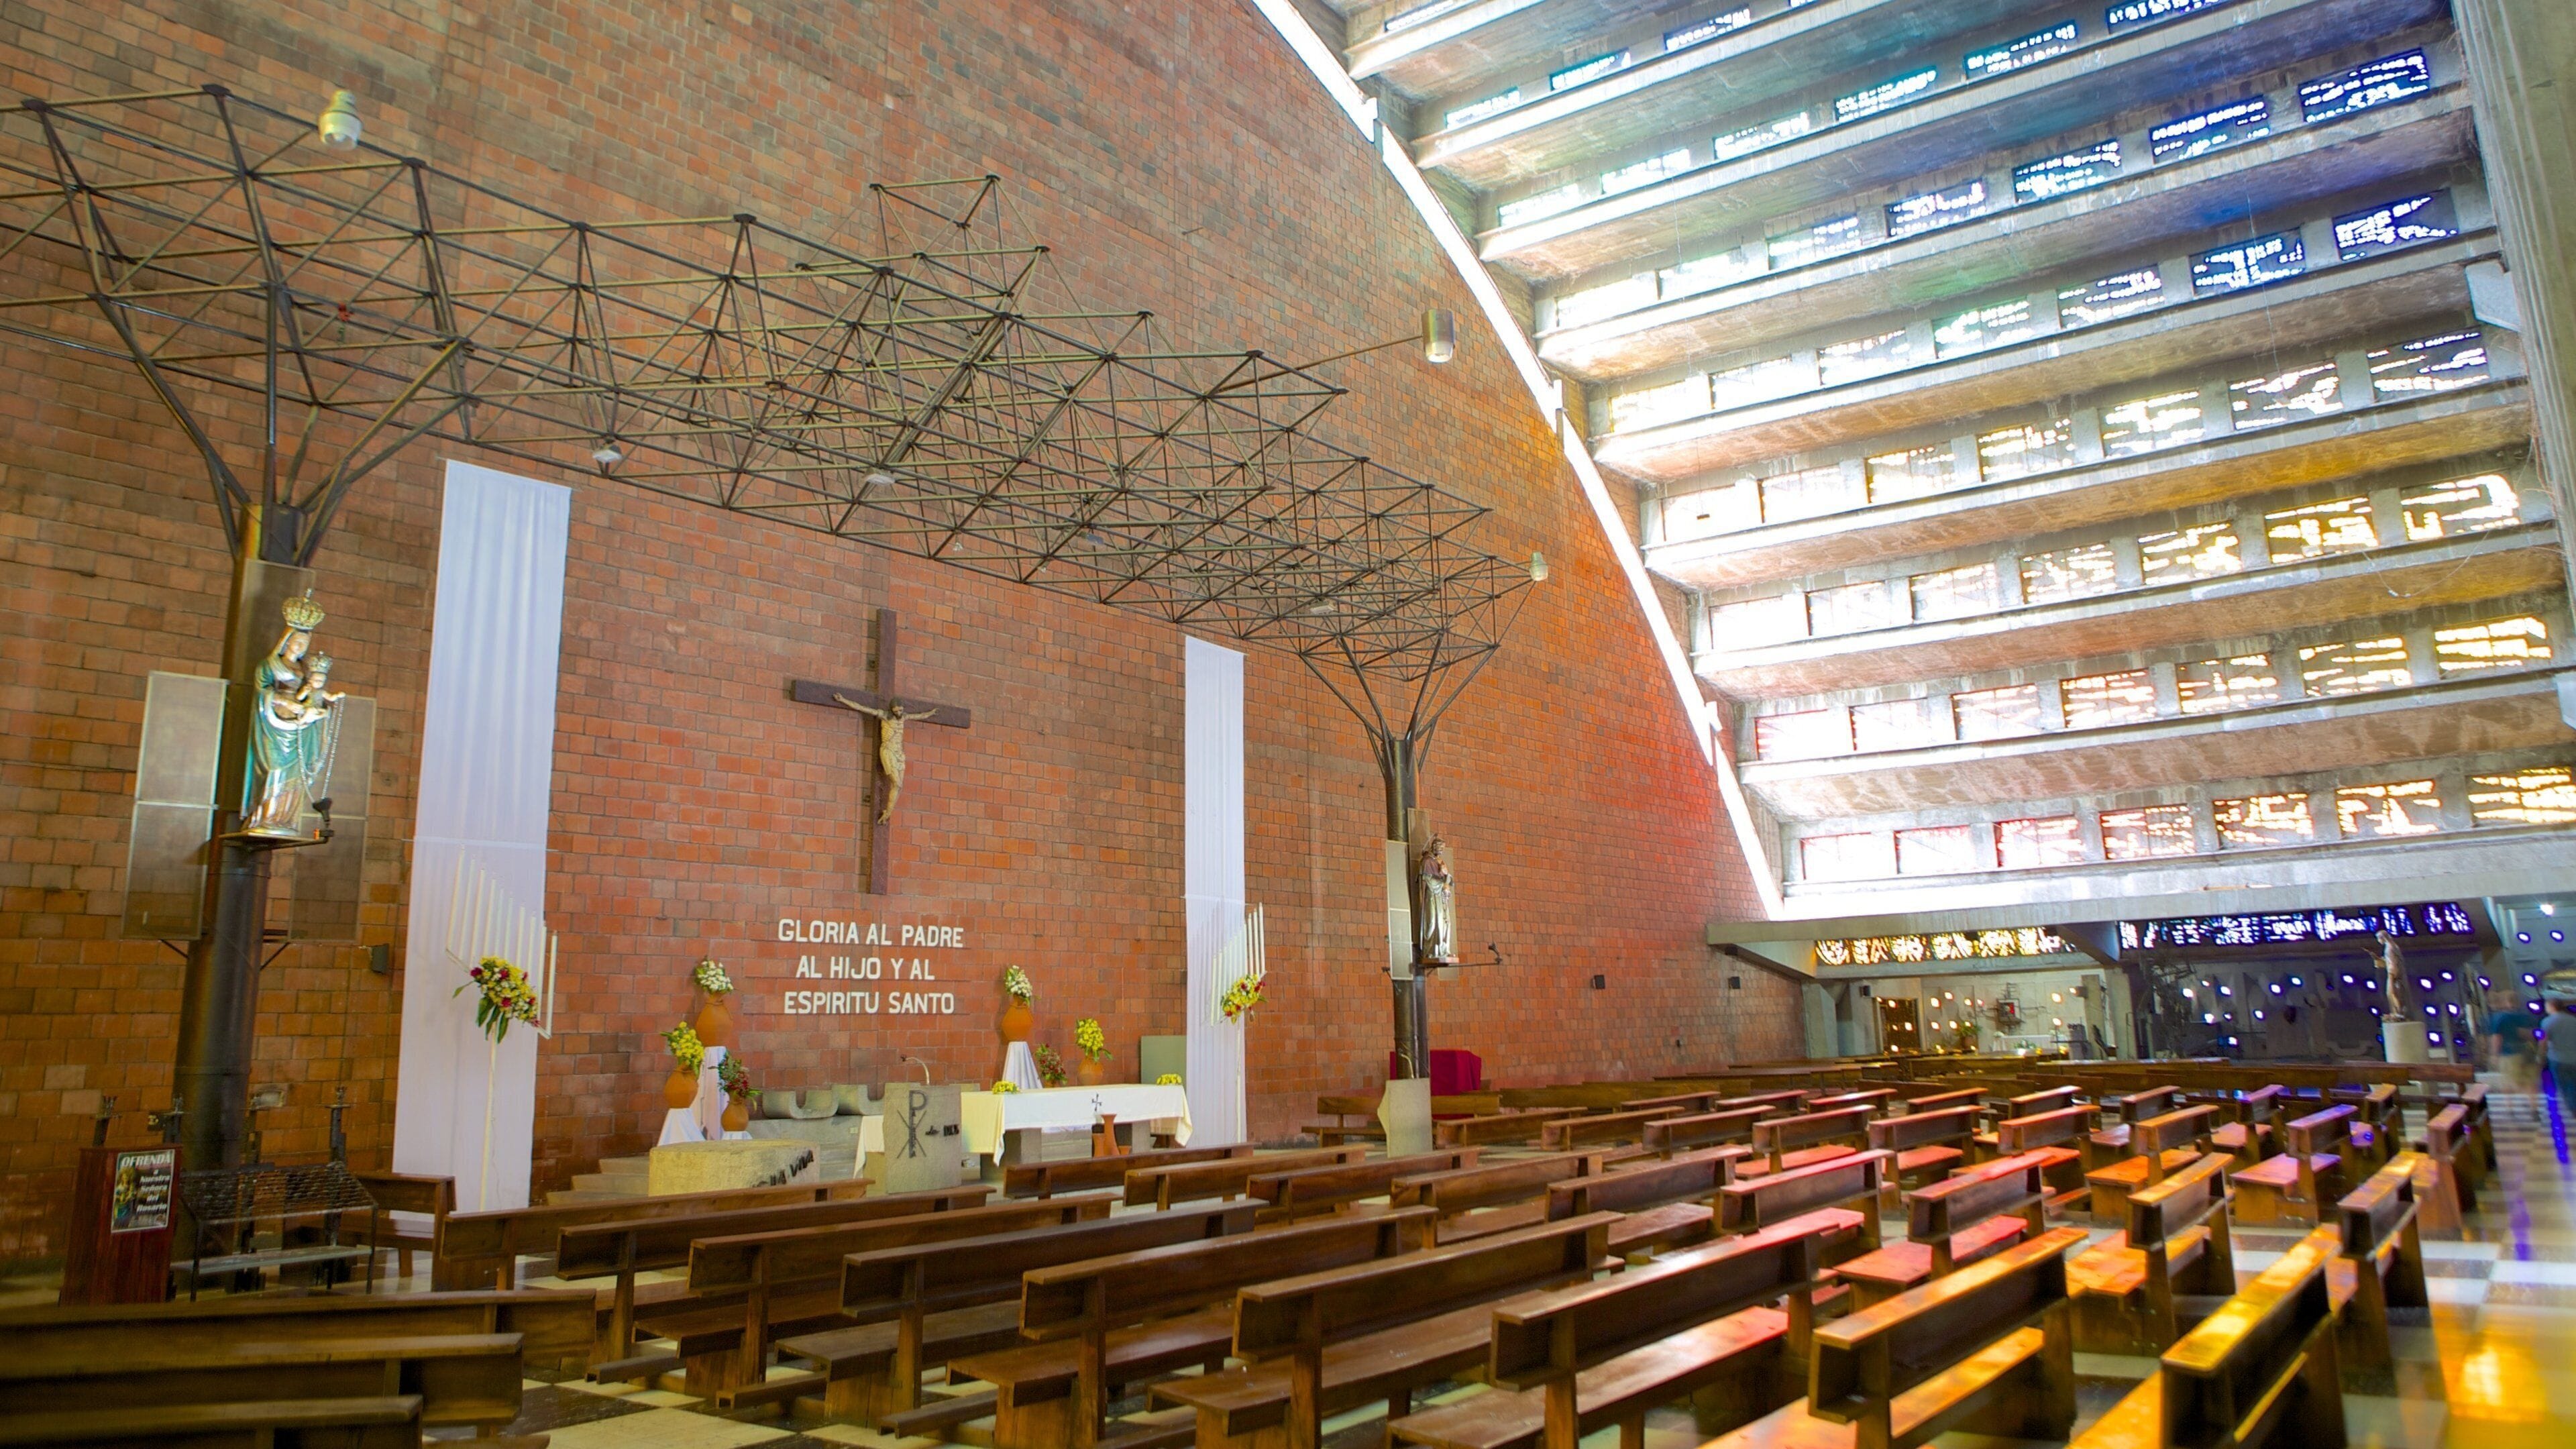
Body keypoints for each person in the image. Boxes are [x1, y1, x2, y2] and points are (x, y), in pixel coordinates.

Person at [2487, 986, 2538, 1092]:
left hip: (2508, 1055)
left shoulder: (2499, 1018)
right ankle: (2534, 1106)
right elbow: (2531, 1035)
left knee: (2508, 1082)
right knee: (2529, 1082)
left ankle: (2509, 1106)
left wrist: (2494, 1054)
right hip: (2526, 1052)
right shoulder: (2525, 1016)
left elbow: (2497, 1038)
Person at [2545, 1000, 2576, 1121]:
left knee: (2563, 1086)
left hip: (2558, 1059)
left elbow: (2544, 1041)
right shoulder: (2573, 1020)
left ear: (2552, 1006)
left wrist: (2540, 1057)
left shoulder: (2547, 1022)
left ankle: (2573, 1109)